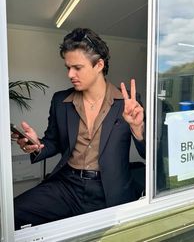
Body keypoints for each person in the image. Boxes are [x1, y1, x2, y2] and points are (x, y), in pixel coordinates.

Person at [13, 27, 145, 230]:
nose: (70, 74)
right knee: (11, 214)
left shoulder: (128, 103)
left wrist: (137, 128)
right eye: (67, 67)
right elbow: (53, 142)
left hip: (110, 189)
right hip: (67, 185)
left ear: (99, 64)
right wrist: (37, 145)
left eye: (77, 67)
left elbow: (148, 154)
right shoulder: (60, 101)